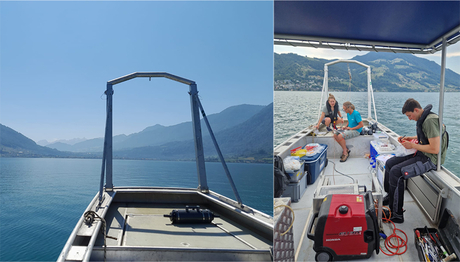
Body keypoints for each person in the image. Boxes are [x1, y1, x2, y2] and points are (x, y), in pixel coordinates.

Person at [383, 98, 448, 223]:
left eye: (409, 115)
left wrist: (412, 145)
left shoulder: (430, 121)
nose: (409, 118)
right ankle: (391, 197)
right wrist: (410, 138)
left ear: (416, 110)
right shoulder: (423, 118)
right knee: (389, 163)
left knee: (396, 172)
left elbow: (435, 149)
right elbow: (426, 137)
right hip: (421, 153)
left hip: (429, 159)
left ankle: (397, 214)